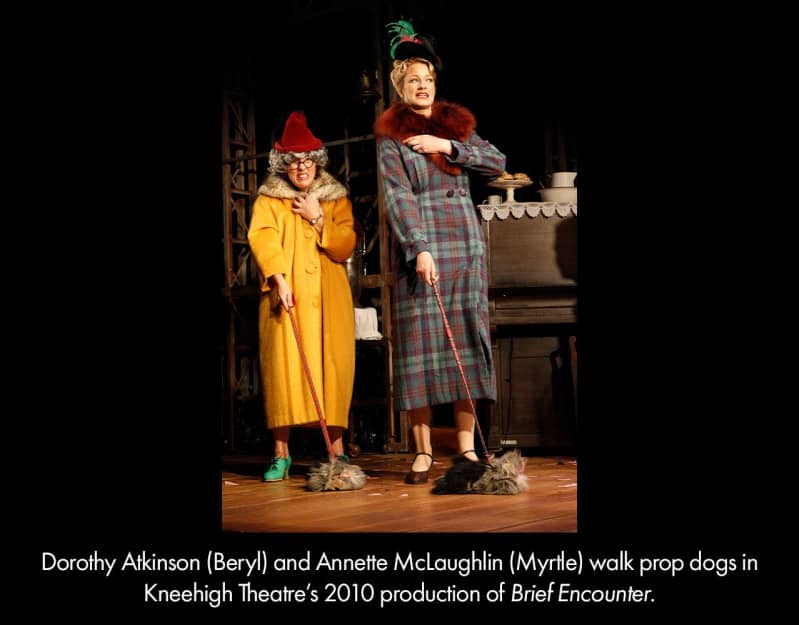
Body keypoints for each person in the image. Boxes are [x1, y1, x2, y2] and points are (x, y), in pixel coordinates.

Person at [374, 22, 507, 484]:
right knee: (422, 351)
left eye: (428, 80)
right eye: (414, 81)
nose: (423, 87)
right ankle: (424, 451)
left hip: (465, 250)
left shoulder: (455, 129)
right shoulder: (393, 138)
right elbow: (398, 198)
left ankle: (468, 450)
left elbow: (497, 162)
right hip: (426, 251)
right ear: (400, 87)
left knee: (466, 345)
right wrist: (419, 248)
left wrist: (447, 145)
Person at [248, 111, 357, 482]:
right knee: (284, 372)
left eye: (307, 160)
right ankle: (282, 454)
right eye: (293, 162)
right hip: (286, 294)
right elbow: (261, 236)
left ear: (317, 162)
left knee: (332, 371)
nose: (301, 168)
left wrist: (318, 218)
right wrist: (278, 279)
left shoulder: (334, 197)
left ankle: (336, 453)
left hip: (329, 298)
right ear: (283, 165)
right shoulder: (270, 198)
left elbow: (346, 244)